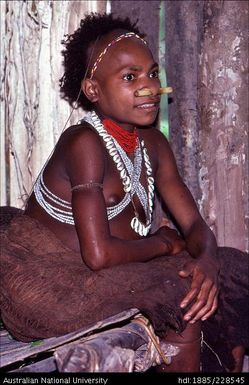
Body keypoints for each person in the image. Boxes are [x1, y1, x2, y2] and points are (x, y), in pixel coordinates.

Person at [0, 13, 248, 373]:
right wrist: (166, 243)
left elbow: (192, 223)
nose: (148, 87)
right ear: (94, 90)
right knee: (178, 294)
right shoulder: (83, 143)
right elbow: (98, 256)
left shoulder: (154, 144)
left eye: (152, 73)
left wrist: (208, 260)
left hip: (116, 270)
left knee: (235, 270)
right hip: (53, 284)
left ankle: (222, 365)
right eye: (130, 77)